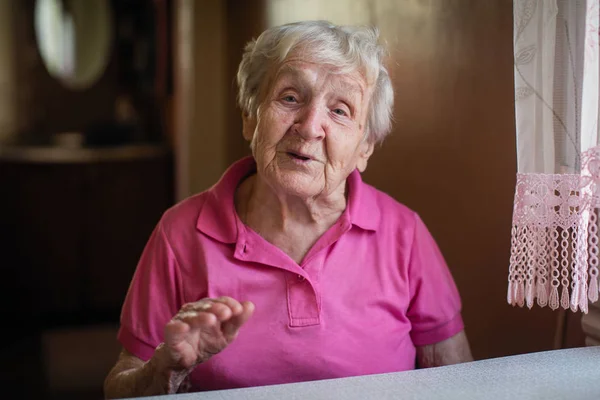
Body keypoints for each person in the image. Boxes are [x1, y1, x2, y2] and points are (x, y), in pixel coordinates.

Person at [104, 20, 473, 398]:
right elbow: (119, 387)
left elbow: (459, 384)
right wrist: (166, 369)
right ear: (251, 116)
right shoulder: (180, 232)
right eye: (291, 97)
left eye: (341, 110)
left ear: (364, 149)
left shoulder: (404, 234)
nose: (310, 126)